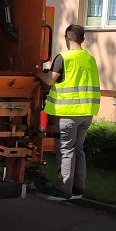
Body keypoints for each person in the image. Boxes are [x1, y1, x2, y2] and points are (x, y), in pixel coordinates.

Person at [36, 24, 100, 200]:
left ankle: (63, 189)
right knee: (78, 149)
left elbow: (50, 81)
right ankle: (78, 189)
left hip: (68, 113)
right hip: (86, 114)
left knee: (65, 150)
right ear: (83, 39)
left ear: (66, 38)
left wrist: (39, 74)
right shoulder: (90, 59)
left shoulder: (64, 58)